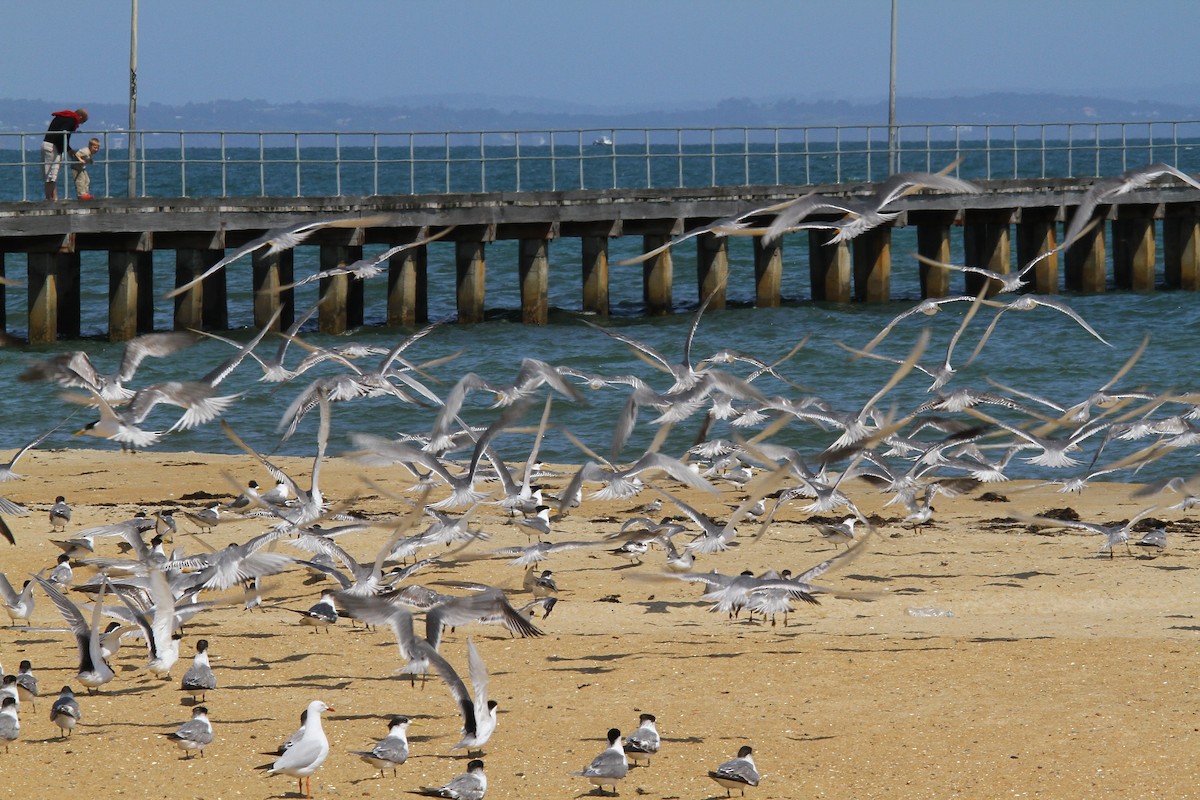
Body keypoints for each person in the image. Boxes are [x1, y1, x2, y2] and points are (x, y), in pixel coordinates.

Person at [42, 108, 88, 202]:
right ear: (80, 117)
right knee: (52, 176)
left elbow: (61, 134)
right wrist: (67, 150)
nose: (78, 125)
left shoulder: (63, 116)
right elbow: (63, 135)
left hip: (46, 145)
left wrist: (67, 149)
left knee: (49, 175)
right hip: (53, 147)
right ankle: (49, 199)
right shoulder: (72, 120)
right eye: (81, 122)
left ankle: (54, 198)